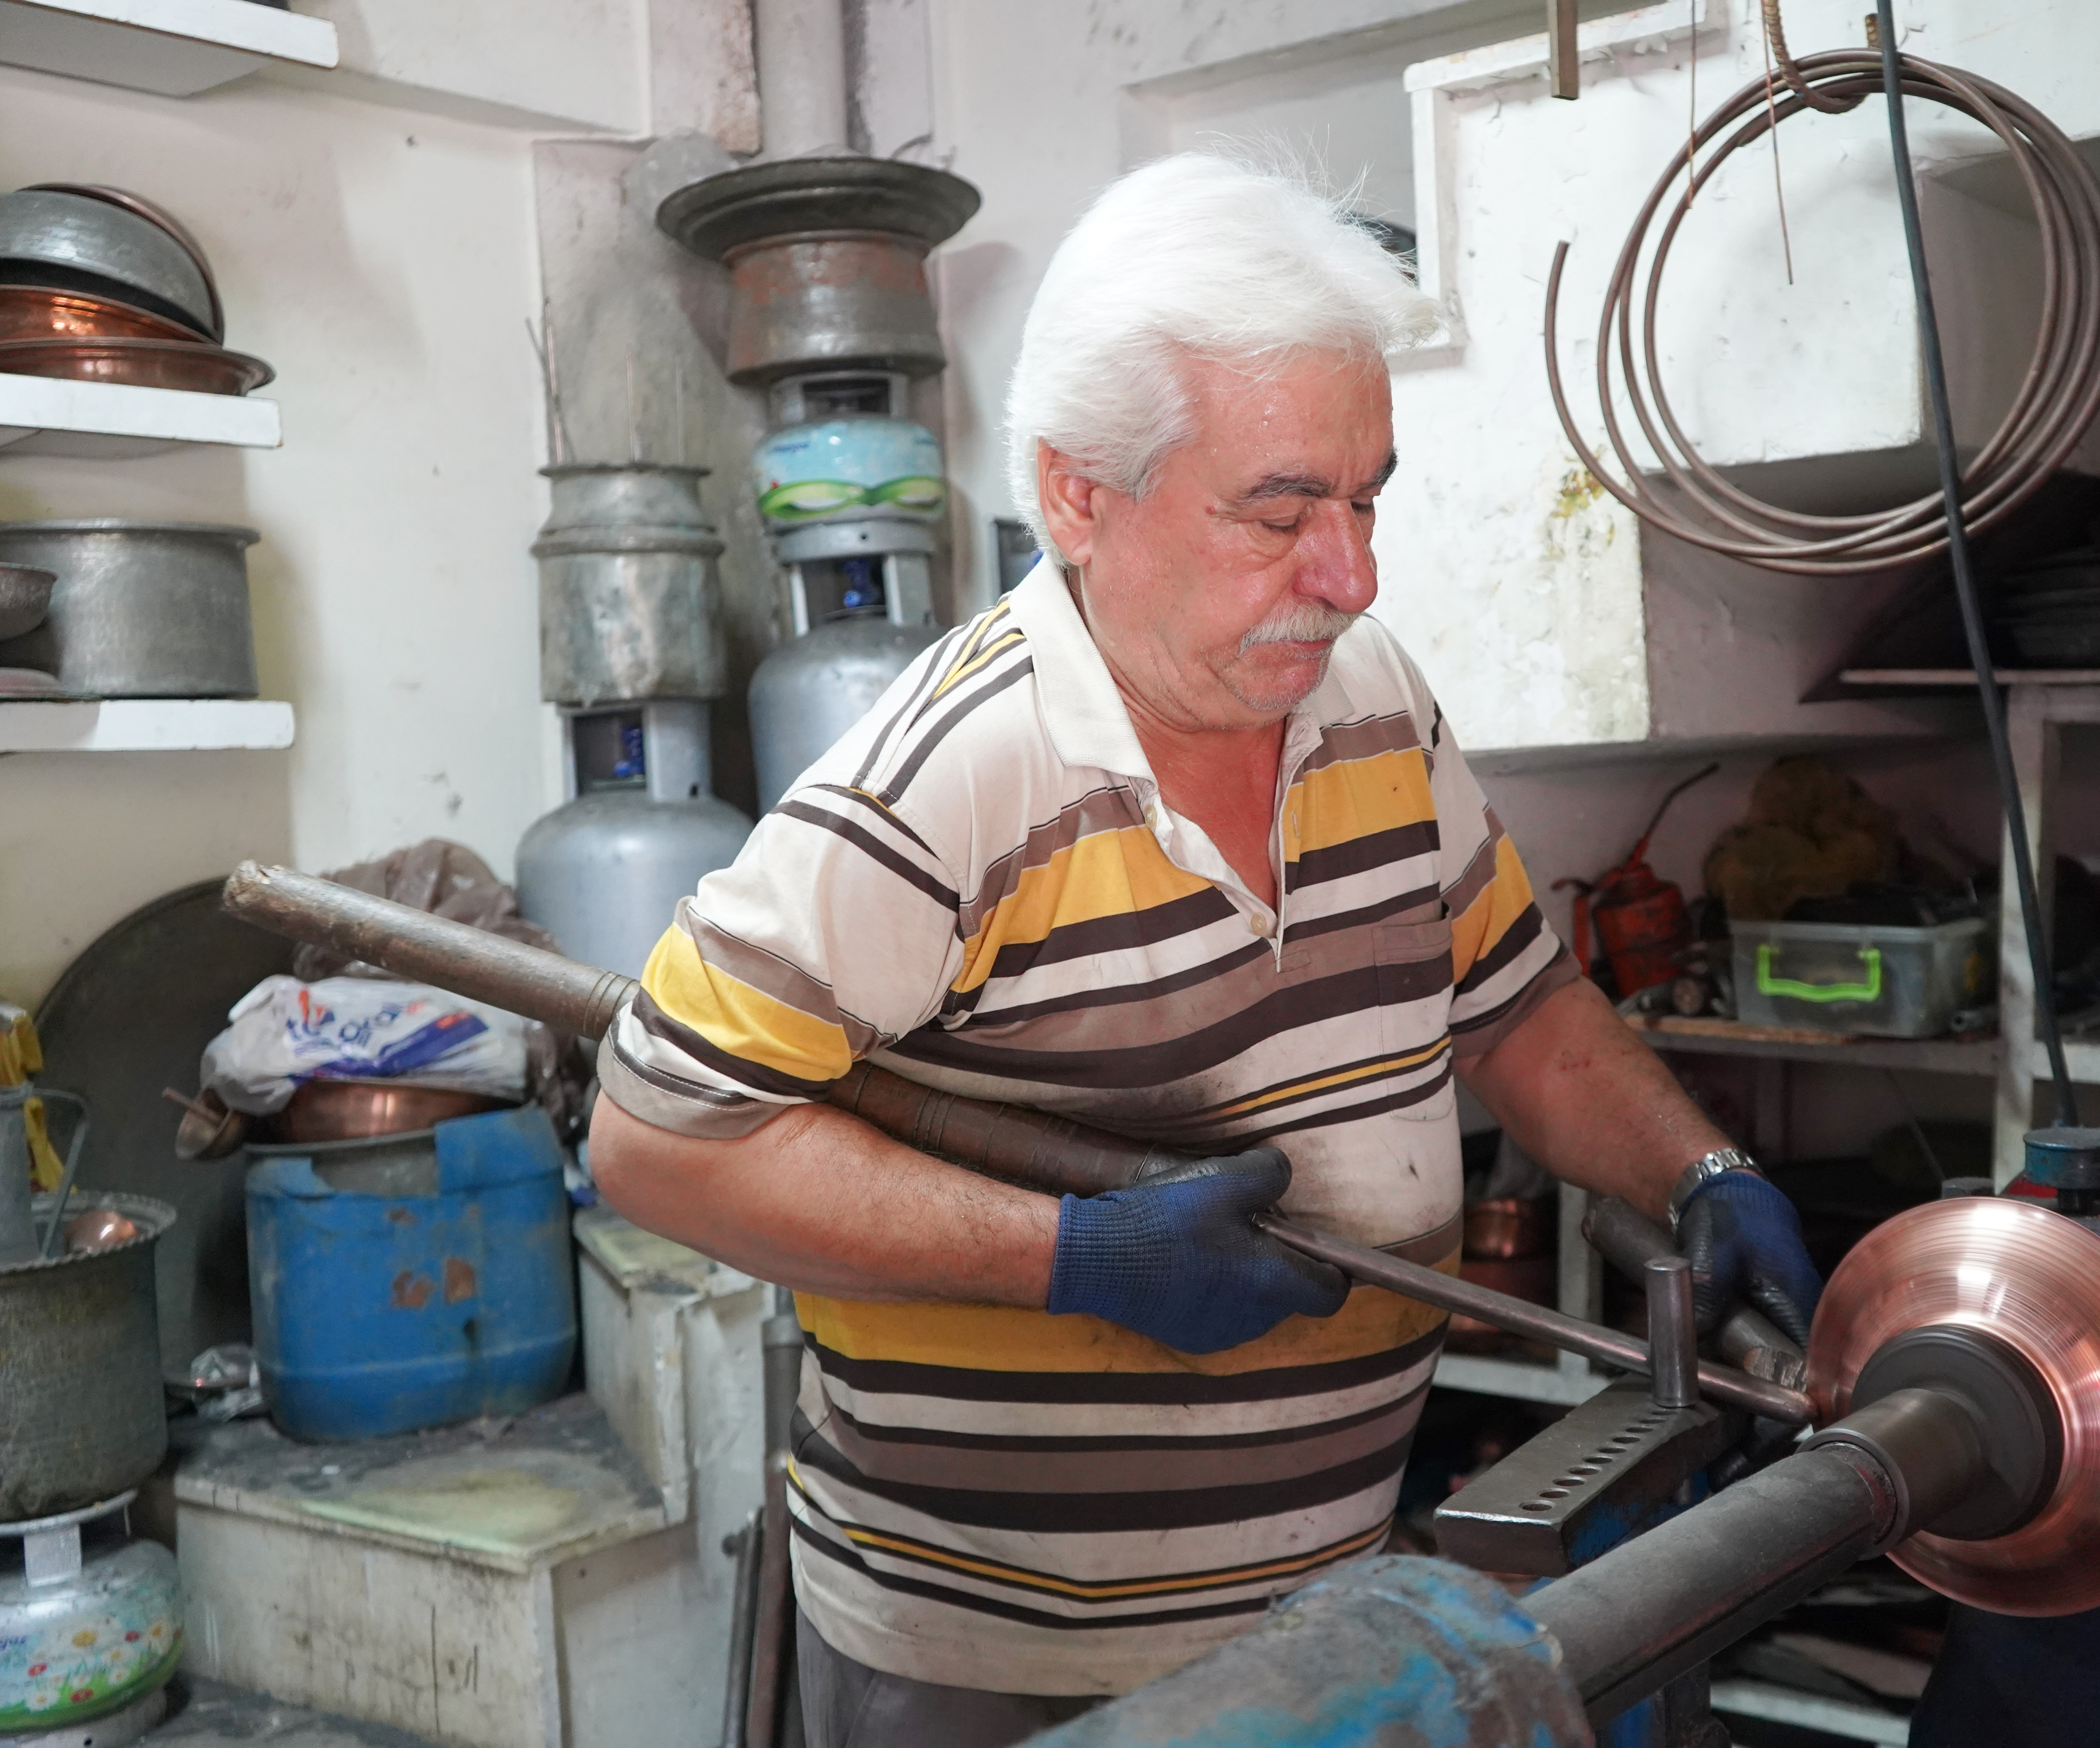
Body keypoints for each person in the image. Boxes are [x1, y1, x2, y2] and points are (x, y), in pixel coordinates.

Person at [587, 152, 1823, 1748]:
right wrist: (1072, 1259)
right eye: (1281, 509)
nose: (1352, 572)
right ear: (1079, 497)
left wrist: (1696, 1174)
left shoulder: (1372, 690)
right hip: (998, 1667)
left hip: (1326, 1614)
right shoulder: (948, 778)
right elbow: (660, 1143)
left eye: (1366, 496)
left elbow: (1519, 1010)